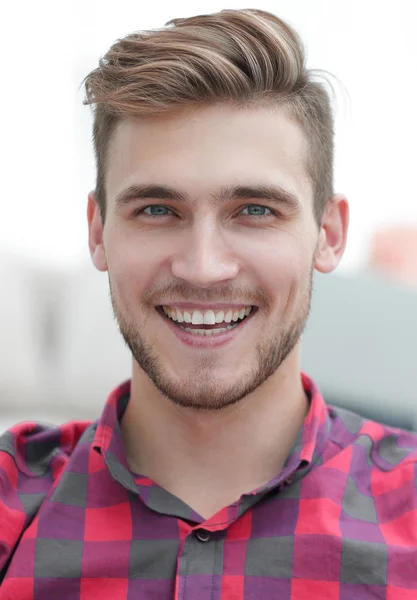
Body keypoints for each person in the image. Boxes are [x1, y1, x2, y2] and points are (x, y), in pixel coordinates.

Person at [0, 8, 416, 599]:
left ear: (329, 233)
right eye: (156, 210)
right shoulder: (12, 503)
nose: (203, 267)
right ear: (97, 231)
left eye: (254, 210)